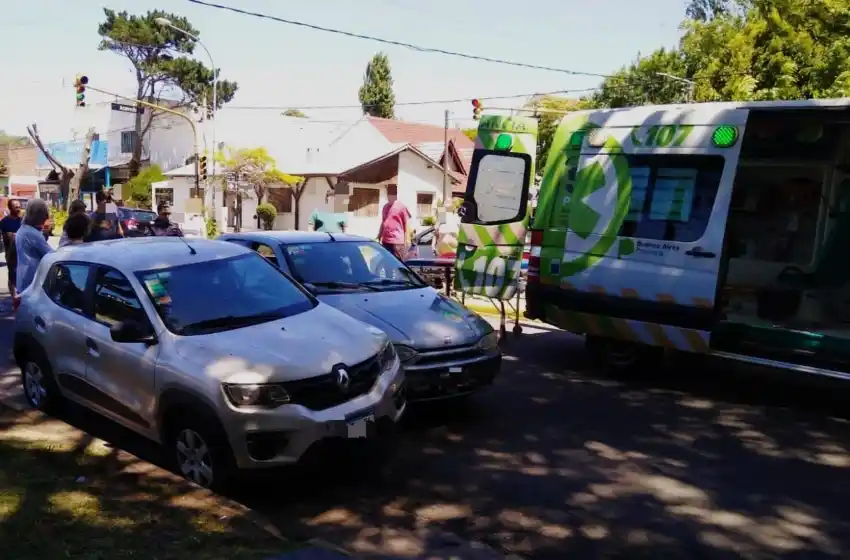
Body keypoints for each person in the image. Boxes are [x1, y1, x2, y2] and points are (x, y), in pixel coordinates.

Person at [15, 198, 53, 294]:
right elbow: (51, 255)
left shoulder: (23, 229)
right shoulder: (31, 233)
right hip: (31, 283)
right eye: (44, 213)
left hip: (23, 280)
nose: (46, 216)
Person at [377, 192, 411, 261]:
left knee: (397, 263)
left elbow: (406, 224)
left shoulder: (401, 207)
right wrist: (379, 235)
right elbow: (383, 222)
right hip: (386, 240)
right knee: (386, 262)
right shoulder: (385, 207)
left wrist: (406, 240)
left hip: (397, 242)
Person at [0, 199, 24, 298]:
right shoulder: (5, 222)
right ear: (10, 208)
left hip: (23, 252)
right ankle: (14, 297)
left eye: (19, 206)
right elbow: (10, 237)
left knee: (22, 274)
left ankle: (21, 296)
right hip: (11, 253)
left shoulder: (22, 221)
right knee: (12, 275)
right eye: (16, 207)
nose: (18, 209)